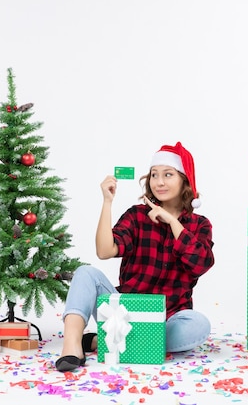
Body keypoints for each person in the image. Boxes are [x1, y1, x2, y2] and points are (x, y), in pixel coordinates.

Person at [55, 141, 215, 372]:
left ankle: (102, 341)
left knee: (198, 325)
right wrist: (107, 203)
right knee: (85, 273)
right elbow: (105, 251)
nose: (159, 182)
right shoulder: (137, 215)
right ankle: (72, 347)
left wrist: (171, 221)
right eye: (154, 175)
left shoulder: (199, 224)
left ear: (184, 180)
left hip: (167, 318)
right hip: (123, 312)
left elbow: (200, 264)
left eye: (168, 175)